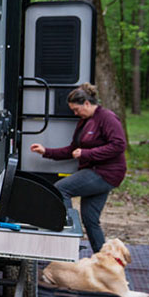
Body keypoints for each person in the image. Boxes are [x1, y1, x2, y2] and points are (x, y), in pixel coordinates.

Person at [29, 83, 126, 253]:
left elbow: (118, 145)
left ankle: (68, 235)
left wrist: (88, 154)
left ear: (87, 104)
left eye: (76, 109)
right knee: (90, 219)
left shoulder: (107, 118)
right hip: (95, 171)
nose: (75, 113)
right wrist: (46, 151)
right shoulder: (84, 121)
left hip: (106, 173)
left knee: (61, 189)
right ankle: (103, 258)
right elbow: (72, 150)